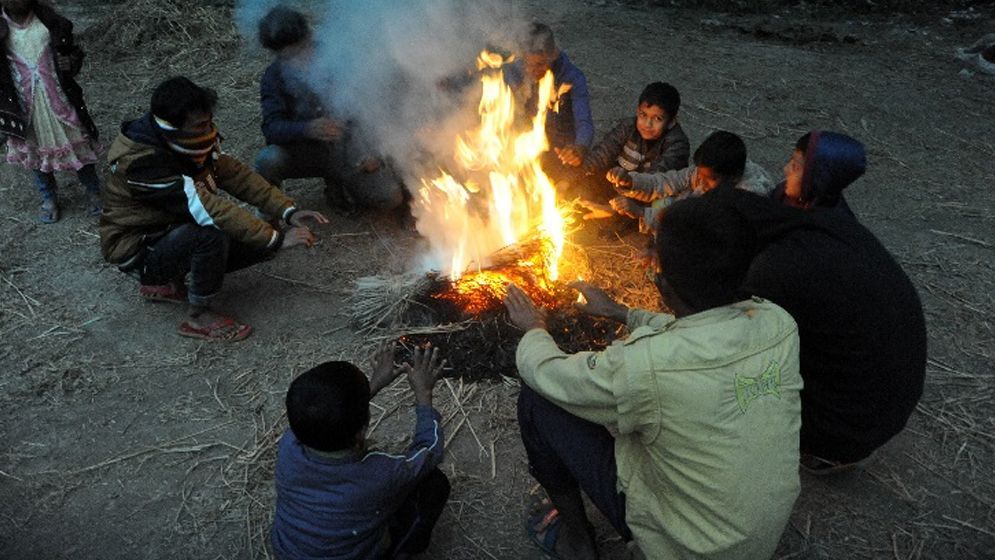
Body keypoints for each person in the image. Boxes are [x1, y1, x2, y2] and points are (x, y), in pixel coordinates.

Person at [504, 195, 803, 560]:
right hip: (754, 537)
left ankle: (578, 543)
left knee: (538, 403)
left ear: (662, 283)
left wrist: (534, 328)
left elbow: (548, 374)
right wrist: (623, 312)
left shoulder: (646, 366)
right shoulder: (779, 323)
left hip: (686, 548)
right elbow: (701, 337)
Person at [707, 186, 926, 473]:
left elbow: (725, 339)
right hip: (892, 405)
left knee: (727, 376)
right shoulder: (828, 230)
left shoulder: (775, 269)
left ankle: (818, 449)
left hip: (848, 428)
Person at [99, 77, 328, 342]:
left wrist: (288, 210)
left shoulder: (189, 142)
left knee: (256, 244)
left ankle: (169, 283)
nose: (208, 130)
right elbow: (208, 208)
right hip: (138, 249)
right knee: (211, 236)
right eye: (200, 125)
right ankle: (198, 316)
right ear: (173, 126)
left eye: (209, 121)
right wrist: (274, 239)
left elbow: (236, 176)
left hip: (166, 232)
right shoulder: (143, 163)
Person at [272, 344, 450, 560]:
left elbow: (327, 418)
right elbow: (430, 450)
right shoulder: (380, 474)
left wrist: (374, 384)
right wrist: (424, 395)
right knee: (434, 485)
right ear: (361, 432)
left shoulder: (289, 445)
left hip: (287, 553)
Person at [254, 6, 405, 215]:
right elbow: (271, 128)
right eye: (287, 57)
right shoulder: (274, 76)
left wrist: (372, 151)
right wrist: (306, 129)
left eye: (300, 50)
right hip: (308, 153)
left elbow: (371, 107)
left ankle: (341, 185)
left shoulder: (337, 58)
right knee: (268, 159)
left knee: (389, 198)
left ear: (307, 37)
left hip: (350, 151)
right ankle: (269, 217)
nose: (297, 60)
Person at [0, 0, 101, 223]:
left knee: (78, 142)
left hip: (58, 99)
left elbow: (72, 52)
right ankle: (48, 197)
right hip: (25, 105)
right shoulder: (2, 28)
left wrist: (71, 62)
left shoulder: (49, 22)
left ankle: (94, 191)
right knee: (36, 151)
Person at [583, 130, 772, 233]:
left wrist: (642, 213)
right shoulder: (708, 171)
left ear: (734, 176)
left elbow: (697, 224)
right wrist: (630, 182)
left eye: (710, 179)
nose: (702, 183)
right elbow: (665, 182)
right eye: (700, 175)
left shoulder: (748, 197)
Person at [505, 22, 594, 181]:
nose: (533, 70)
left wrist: (579, 148)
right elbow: (488, 80)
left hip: (560, 149)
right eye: (528, 64)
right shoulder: (518, 67)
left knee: (571, 185)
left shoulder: (572, 77)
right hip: (528, 142)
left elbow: (584, 122)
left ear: (553, 54)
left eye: (540, 64)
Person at [580, 81, 690, 203]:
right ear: (638, 111)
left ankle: (613, 212)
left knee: (662, 206)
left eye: (657, 119)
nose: (648, 124)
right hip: (620, 184)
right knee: (583, 179)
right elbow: (603, 153)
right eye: (643, 115)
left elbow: (655, 183)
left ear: (671, 121)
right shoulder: (628, 127)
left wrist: (627, 187)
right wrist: (570, 178)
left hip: (649, 195)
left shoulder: (677, 144)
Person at [770, 130, 865, 214]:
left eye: (796, 167)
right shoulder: (782, 195)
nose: (785, 169)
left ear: (817, 179)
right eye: (792, 160)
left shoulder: (825, 227)